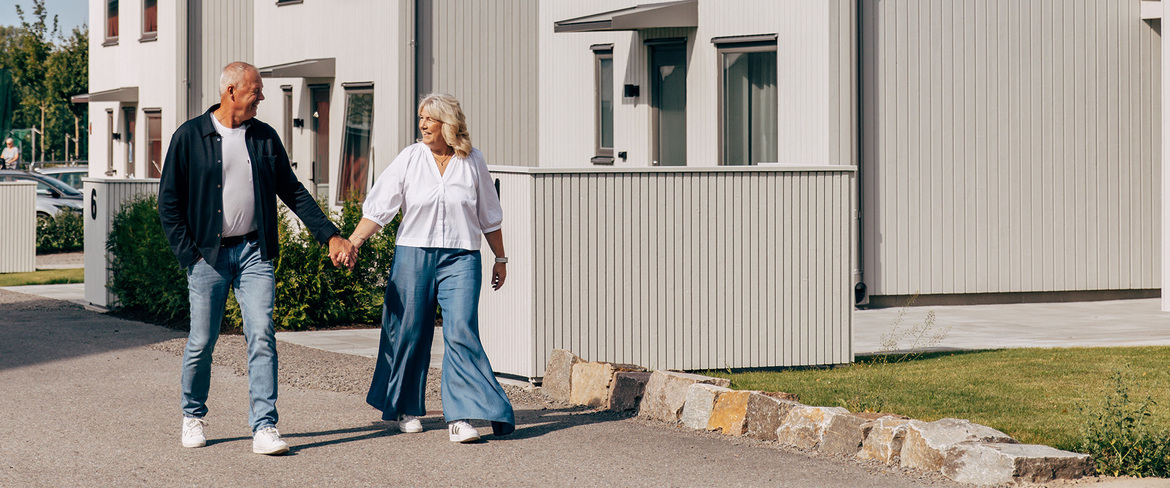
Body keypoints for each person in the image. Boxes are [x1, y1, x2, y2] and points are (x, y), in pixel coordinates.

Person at [158, 61, 354, 455]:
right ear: (230, 91)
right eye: (256, 90)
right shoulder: (189, 136)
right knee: (202, 341)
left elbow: (292, 191)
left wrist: (330, 235)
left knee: (262, 333)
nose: (261, 97)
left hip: (254, 252)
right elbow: (169, 203)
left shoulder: (264, 137)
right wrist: (190, 256)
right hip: (208, 256)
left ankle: (264, 426)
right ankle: (192, 414)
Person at [345, 93, 515, 443]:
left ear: (447, 123)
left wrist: (500, 258)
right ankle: (405, 407)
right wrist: (354, 241)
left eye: (429, 118)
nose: (422, 124)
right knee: (408, 330)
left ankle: (460, 417)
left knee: (461, 330)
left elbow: (489, 214)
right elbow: (380, 206)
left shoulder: (473, 161)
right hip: (414, 254)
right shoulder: (410, 157)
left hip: (462, 257)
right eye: (421, 117)